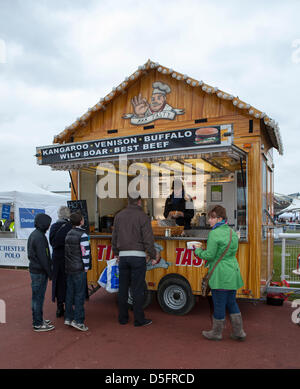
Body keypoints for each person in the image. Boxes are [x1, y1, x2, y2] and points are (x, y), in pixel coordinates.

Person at [195, 205, 246, 341]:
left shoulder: (214, 233)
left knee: (218, 303)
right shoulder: (231, 232)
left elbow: (210, 255)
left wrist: (197, 251)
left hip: (220, 273)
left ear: (220, 218)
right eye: (209, 218)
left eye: (212, 218)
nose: (209, 221)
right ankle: (239, 332)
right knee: (232, 302)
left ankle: (216, 333)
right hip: (232, 271)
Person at [112, 195, 159, 327]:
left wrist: (116, 252)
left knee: (122, 289)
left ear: (128, 202)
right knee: (137, 289)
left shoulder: (119, 216)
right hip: (138, 256)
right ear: (139, 202)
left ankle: (123, 318)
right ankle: (139, 319)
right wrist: (153, 255)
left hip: (123, 256)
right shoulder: (143, 216)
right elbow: (148, 239)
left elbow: (114, 237)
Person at [64, 212, 92, 332]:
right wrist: (86, 267)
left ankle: (68, 317)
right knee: (79, 295)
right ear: (81, 221)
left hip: (69, 268)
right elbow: (85, 253)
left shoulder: (68, 233)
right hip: (79, 268)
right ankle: (79, 321)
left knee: (70, 293)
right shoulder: (83, 235)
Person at [27, 213, 54, 332]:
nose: (49, 226)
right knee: (38, 298)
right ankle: (37, 323)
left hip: (35, 270)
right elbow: (44, 257)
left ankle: (38, 319)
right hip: (39, 271)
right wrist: (50, 272)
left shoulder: (35, 234)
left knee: (37, 297)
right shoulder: (39, 237)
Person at [49, 206, 72, 318]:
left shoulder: (53, 227)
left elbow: (51, 242)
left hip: (57, 258)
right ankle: (68, 307)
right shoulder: (70, 227)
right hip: (68, 259)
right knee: (68, 283)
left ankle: (59, 307)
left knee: (57, 283)